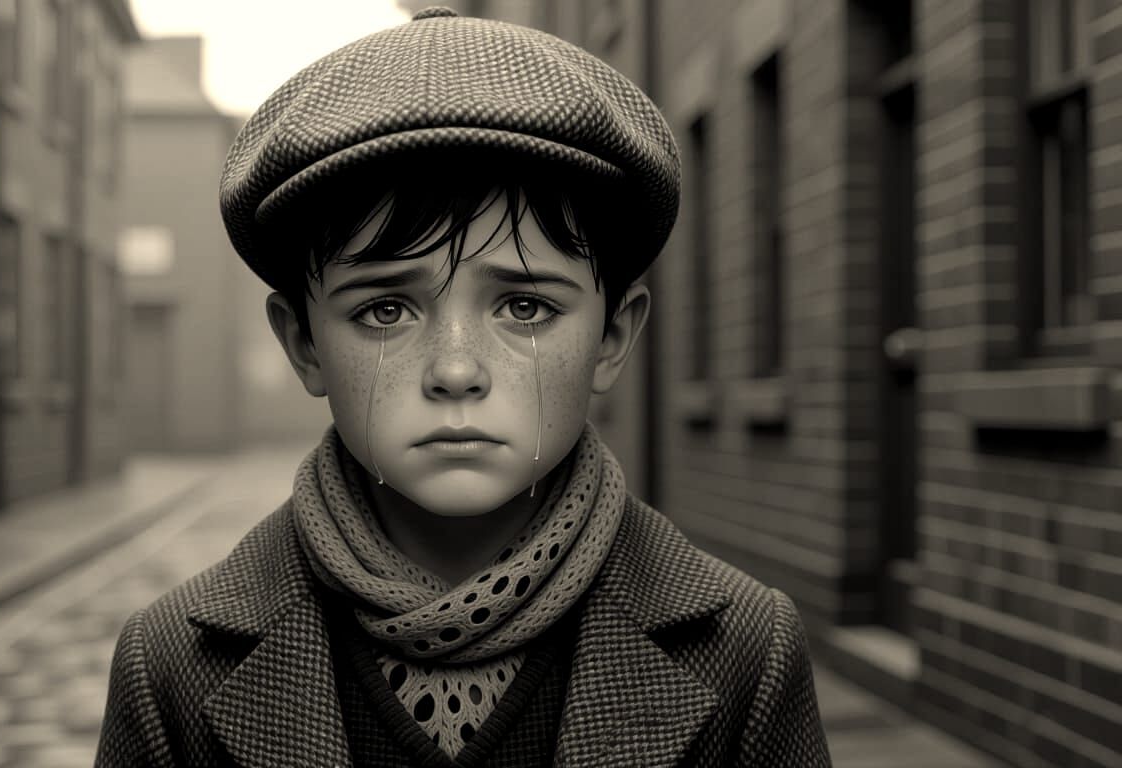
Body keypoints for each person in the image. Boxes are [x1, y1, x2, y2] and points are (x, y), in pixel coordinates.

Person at [96, 7, 832, 767]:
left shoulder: (748, 650)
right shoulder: (170, 665)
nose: (454, 372)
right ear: (304, 344)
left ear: (612, 337)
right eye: (386, 310)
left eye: (525, 308)